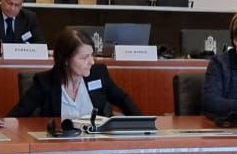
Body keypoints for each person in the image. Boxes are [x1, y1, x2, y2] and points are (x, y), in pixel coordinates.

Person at [9, 29, 141, 118]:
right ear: (65, 60)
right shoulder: (45, 82)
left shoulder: (98, 74)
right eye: (84, 58)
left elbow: (123, 99)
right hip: (58, 145)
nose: (91, 62)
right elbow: (18, 115)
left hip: (96, 143)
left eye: (92, 55)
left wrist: (142, 124)